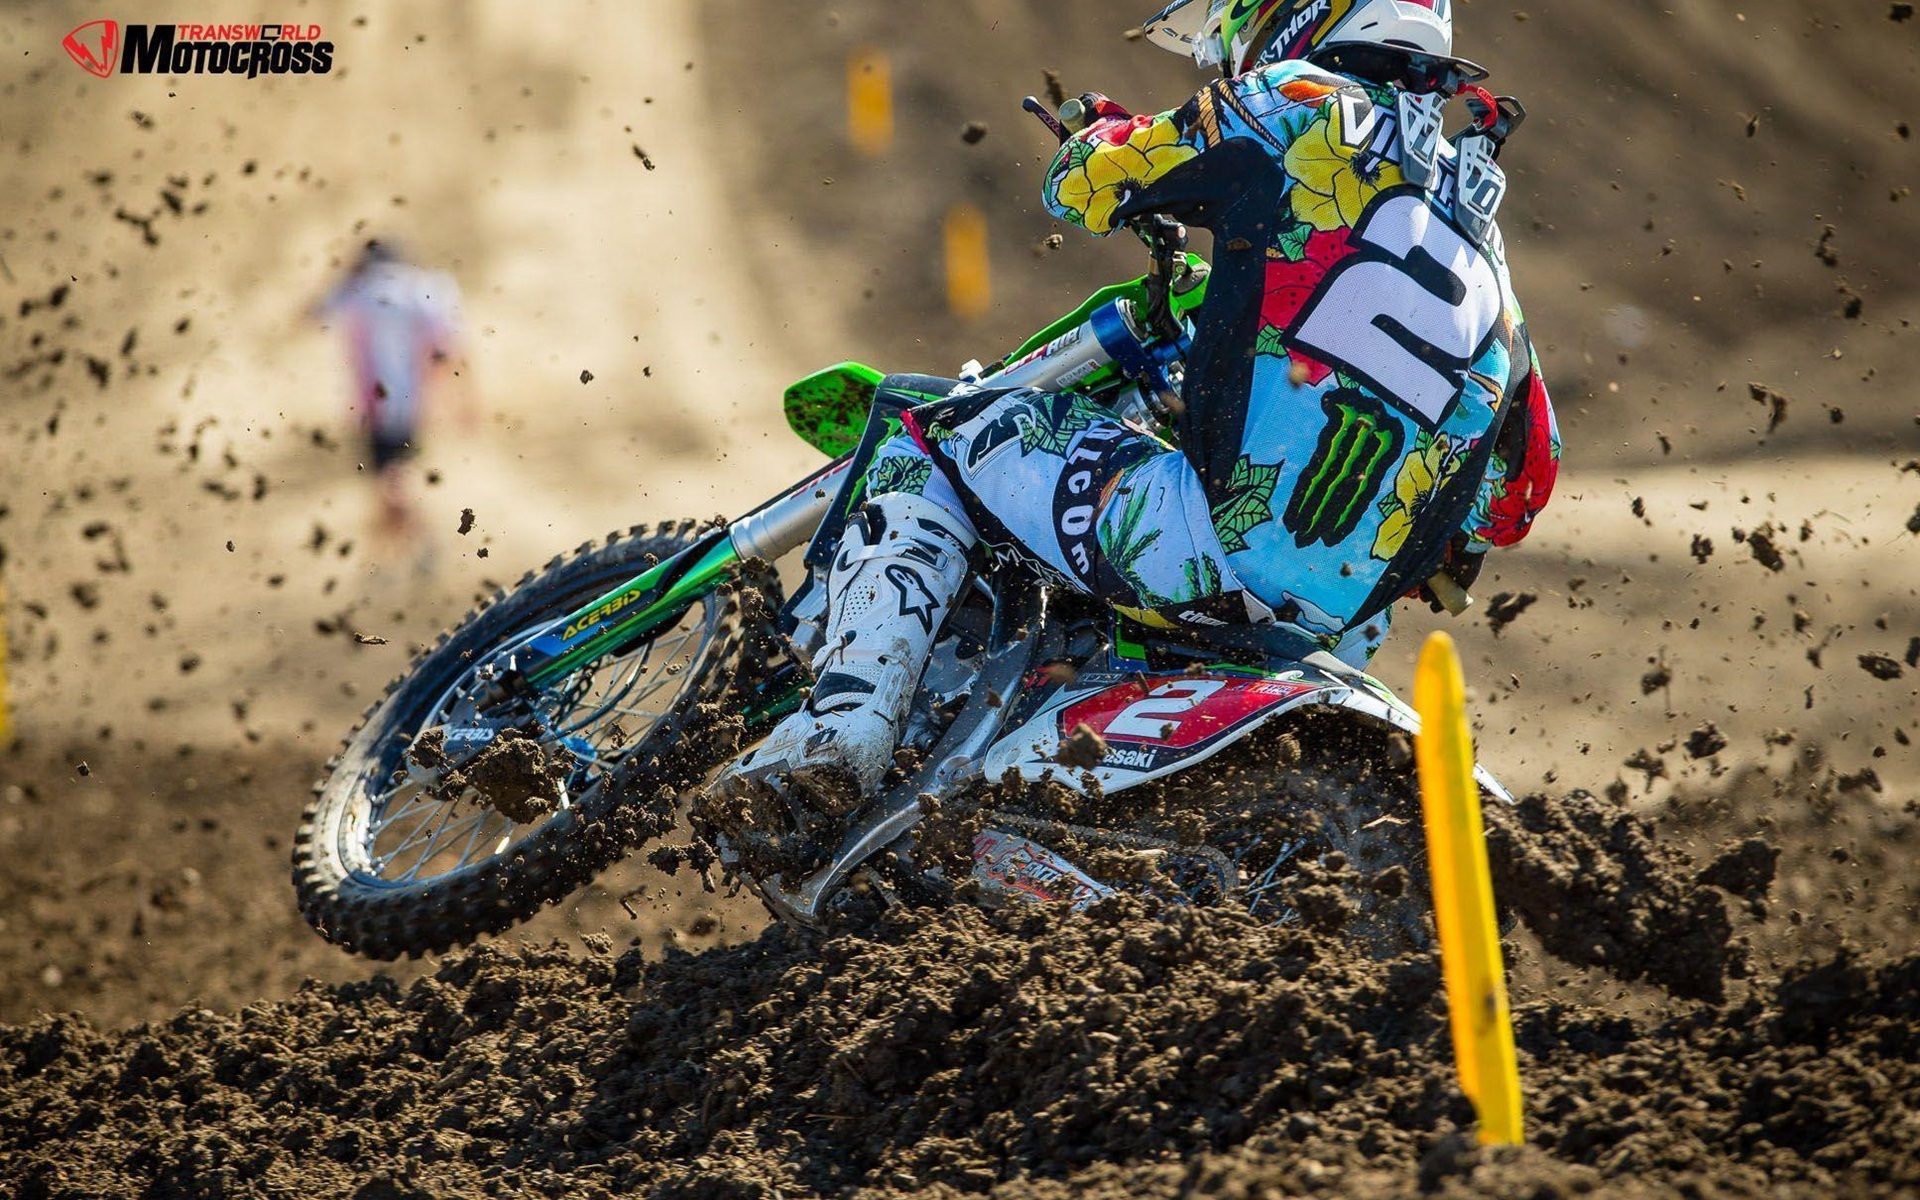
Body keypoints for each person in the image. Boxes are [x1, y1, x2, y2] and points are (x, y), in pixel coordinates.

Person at [730, 0, 1560, 809]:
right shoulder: (1485, 245)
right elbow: (1518, 494)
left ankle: (842, 734)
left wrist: (1097, 132)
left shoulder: (1302, 102)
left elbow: (1084, 187)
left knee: (930, 432)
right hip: (1339, 624)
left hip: (1202, 545)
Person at [311, 239, 470, 552]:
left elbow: (311, 313)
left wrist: (343, 275)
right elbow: (450, 348)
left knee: (391, 480)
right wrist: (462, 398)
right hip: (413, 399)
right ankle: (395, 553)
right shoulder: (422, 288)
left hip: (375, 403)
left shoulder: (360, 289)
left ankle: (419, 544)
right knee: (392, 479)